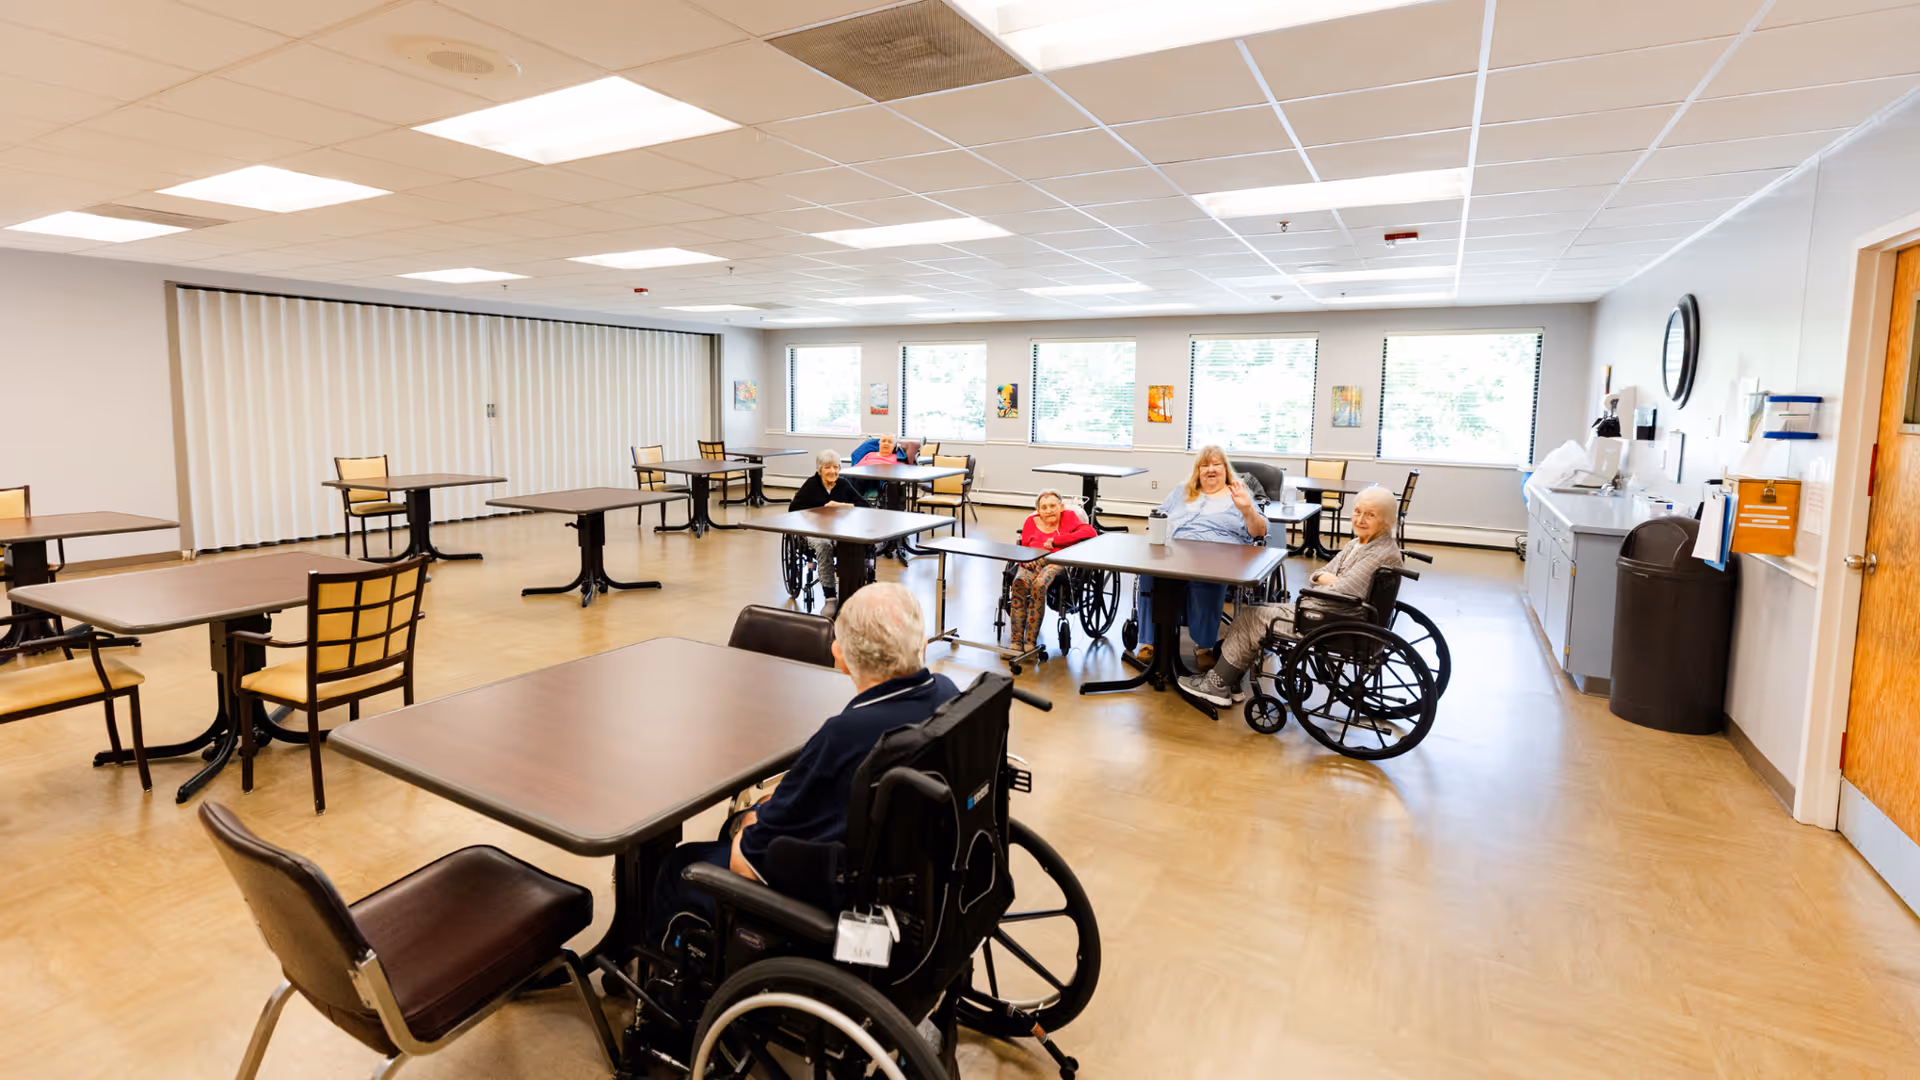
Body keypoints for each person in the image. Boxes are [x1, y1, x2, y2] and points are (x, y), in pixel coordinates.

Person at [650, 583, 959, 947]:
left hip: (839, 899)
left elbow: (744, 863)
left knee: (681, 864)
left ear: (839, 656)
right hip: (919, 876)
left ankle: (661, 990)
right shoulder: (947, 694)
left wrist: (749, 820)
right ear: (922, 646)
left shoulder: (845, 735)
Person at [1178, 485, 1404, 706]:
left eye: (1370, 515)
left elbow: (1343, 591)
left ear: (1386, 520)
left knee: (1250, 618)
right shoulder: (1359, 543)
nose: (1360, 519)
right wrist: (1325, 580)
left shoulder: (1379, 553)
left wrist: (1325, 582)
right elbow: (1318, 575)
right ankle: (1231, 681)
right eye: (1357, 511)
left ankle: (1216, 685)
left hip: (1332, 621)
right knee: (1256, 612)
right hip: (1330, 612)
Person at [1134, 445, 1268, 671]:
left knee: (1206, 579)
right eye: (1204, 465)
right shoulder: (1182, 490)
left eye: (1216, 464)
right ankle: (1149, 641)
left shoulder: (1238, 494)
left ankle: (1204, 646)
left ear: (1226, 469)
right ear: (1197, 471)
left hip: (1218, 553)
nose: (1210, 469)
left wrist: (1247, 510)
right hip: (1177, 550)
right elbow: (1159, 514)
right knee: (1149, 574)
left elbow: (1259, 532)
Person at [1008, 489, 1097, 656]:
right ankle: (1015, 641)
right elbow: (1023, 546)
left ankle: (1030, 641)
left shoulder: (1069, 517)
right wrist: (1024, 560)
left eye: (1052, 506)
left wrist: (1057, 540)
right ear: (1038, 510)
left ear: (1061, 507)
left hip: (1055, 560)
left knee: (1039, 585)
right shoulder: (1030, 522)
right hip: (1031, 561)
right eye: (1044, 507)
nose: (1048, 510)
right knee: (1020, 584)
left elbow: (1090, 532)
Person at [787, 449, 865, 599]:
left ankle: (851, 592)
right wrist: (818, 513)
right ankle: (830, 596)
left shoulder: (843, 484)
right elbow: (794, 510)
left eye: (836, 467)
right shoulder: (811, 485)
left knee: (851, 543)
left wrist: (843, 505)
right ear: (819, 469)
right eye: (827, 467)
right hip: (814, 531)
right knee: (824, 544)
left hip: (839, 530)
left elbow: (864, 505)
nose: (832, 471)